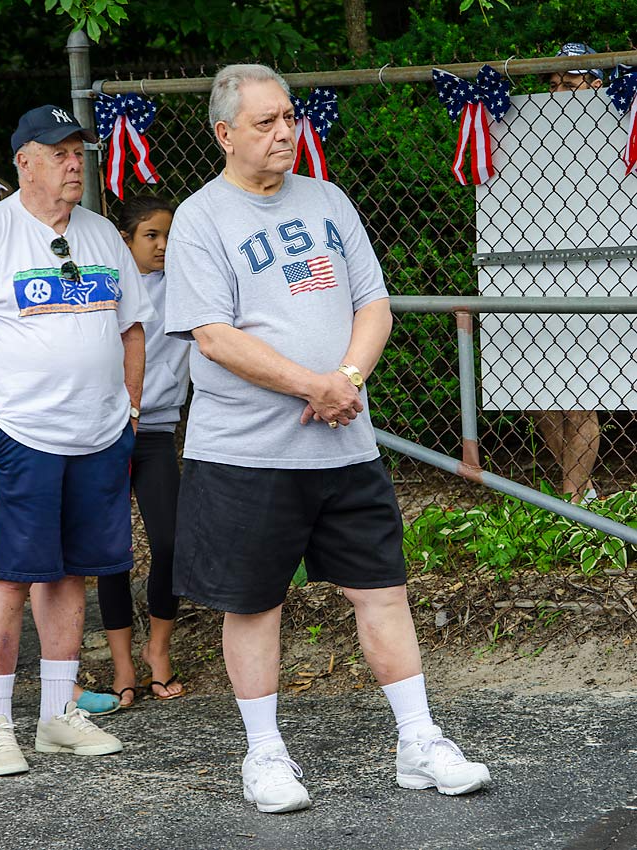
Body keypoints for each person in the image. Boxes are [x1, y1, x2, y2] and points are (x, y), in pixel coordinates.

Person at [164, 64, 491, 813]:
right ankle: (266, 756)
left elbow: (371, 302)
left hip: (344, 444)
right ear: (224, 134)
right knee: (254, 605)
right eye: (266, 123)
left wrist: (344, 376)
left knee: (383, 593)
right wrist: (314, 387)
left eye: (288, 117)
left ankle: (419, 741)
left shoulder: (328, 198)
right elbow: (214, 337)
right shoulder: (202, 218)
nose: (285, 132)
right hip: (246, 452)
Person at [0, 104, 155, 776]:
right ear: (23, 160)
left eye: (79, 153)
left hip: (100, 435)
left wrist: (132, 409)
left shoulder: (102, 236)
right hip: (23, 434)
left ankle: (58, 715)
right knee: (5, 581)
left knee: (70, 576)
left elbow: (133, 327)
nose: (72, 165)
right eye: (58, 153)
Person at [96, 194, 190, 707]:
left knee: (170, 544)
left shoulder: (184, 285)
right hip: (107, 433)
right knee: (111, 551)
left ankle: (159, 651)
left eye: (168, 236)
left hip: (155, 432)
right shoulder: (103, 288)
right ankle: (122, 664)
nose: (162, 245)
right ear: (125, 239)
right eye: (151, 235)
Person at [530, 43, 604, 503]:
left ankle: (571, 502)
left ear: (595, 86)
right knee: (539, 400)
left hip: (599, 273)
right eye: (553, 84)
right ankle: (584, 489)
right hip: (532, 270)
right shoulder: (529, 133)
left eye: (570, 84)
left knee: (580, 403)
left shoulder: (614, 126)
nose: (558, 94)